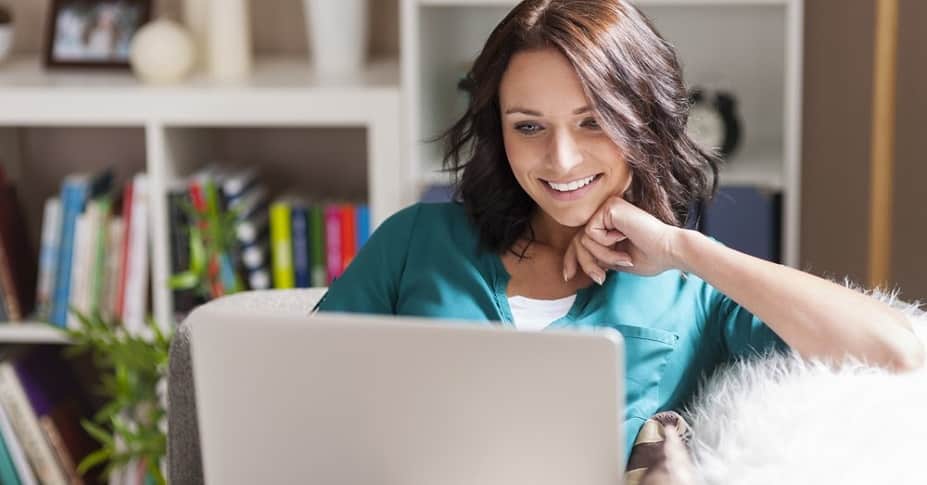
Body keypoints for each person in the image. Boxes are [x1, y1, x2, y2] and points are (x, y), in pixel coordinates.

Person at [317, 0, 923, 468]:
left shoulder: (695, 292)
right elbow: (301, 397)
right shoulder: (415, 240)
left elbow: (898, 351)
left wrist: (684, 248)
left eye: (592, 122)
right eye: (529, 126)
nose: (560, 158)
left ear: (644, 122)